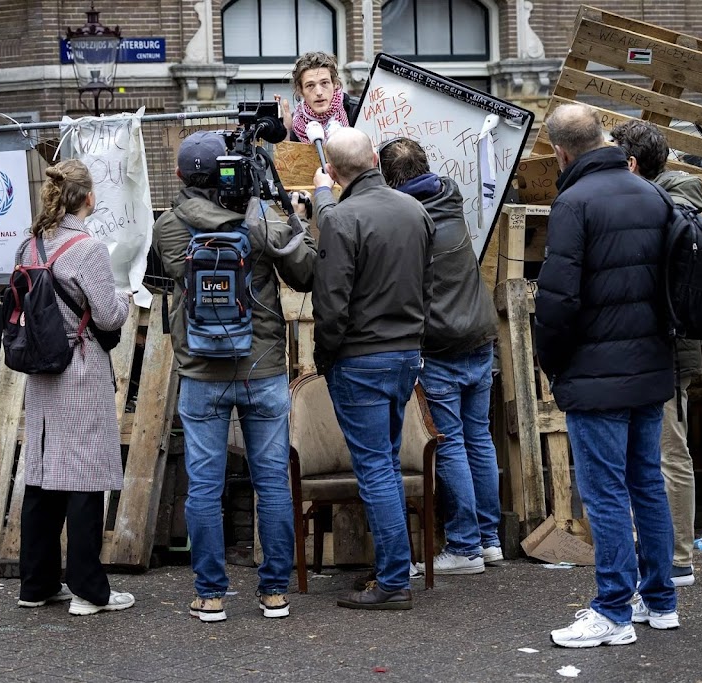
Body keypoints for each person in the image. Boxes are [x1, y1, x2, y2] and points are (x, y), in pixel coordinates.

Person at [152, 132, 317, 622]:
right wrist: (298, 221)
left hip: (202, 370)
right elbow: (305, 274)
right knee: (272, 481)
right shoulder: (261, 218)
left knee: (204, 484)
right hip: (262, 367)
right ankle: (273, 593)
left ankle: (210, 594)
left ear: (182, 176)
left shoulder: (169, 226)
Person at [536, 104, 677, 648]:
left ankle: (613, 611)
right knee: (646, 484)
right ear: (603, 134)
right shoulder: (654, 194)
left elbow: (557, 299)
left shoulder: (573, 203)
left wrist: (555, 363)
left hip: (595, 373)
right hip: (650, 366)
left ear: (560, 151)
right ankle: (659, 601)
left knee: (606, 494)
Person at [310, 128, 435, 610]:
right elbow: (427, 286)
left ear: (337, 172)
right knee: (382, 458)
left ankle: (393, 581)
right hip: (406, 354)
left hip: (360, 358)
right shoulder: (415, 211)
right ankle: (392, 567)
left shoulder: (342, 219)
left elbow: (332, 303)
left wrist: (327, 356)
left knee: (376, 468)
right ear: (374, 161)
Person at [16, 159, 135, 617]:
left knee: (43, 472)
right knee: (85, 473)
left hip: (41, 368)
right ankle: (88, 589)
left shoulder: (29, 245)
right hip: (80, 368)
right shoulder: (88, 249)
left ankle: (37, 583)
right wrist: (123, 301)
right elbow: (106, 317)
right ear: (88, 197)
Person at [378, 137, 501, 576]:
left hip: (443, 343)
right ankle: (489, 540)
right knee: (479, 438)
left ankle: (465, 548)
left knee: (449, 445)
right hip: (480, 334)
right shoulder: (451, 193)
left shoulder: (404, 220)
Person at [611, 120, 702, 588]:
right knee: (663, 450)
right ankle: (665, 550)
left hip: (665, 348)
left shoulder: (665, 207)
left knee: (668, 451)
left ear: (631, 164)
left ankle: (678, 557)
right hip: (666, 345)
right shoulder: (681, 201)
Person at [281, 51, 359, 144]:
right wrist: (285, 132)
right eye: (310, 85)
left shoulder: (356, 111)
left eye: (324, 83)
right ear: (301, 91)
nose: (319, 92)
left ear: (334, 84)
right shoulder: (295, 123)